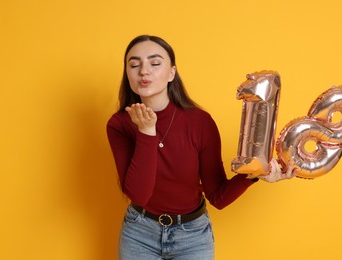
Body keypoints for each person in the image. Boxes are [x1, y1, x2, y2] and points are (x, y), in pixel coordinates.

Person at [106, 35, 295, 260]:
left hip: (192, 236)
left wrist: (256, 173)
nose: (144, 71)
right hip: (139, 234)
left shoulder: (200, 122)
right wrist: (147, 131)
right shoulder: (119, 125)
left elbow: (218, 197)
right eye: (134, 65)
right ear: (127, 75)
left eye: (155, 63)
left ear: (171, 73)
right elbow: (139, 194)